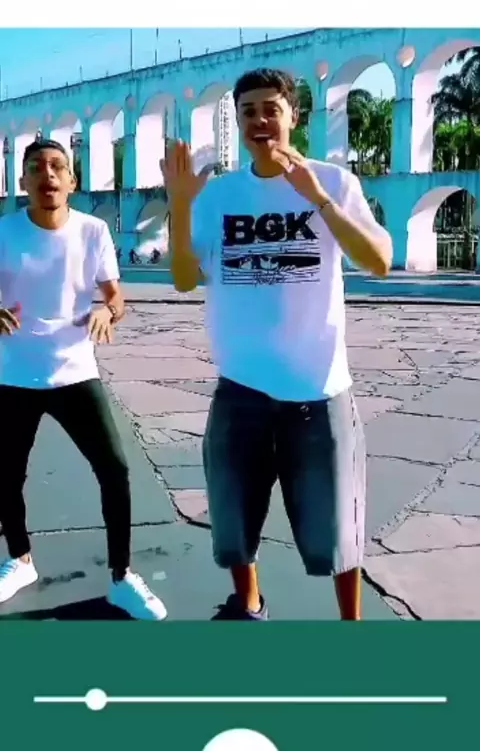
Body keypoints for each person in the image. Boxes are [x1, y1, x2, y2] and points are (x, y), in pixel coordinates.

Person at [162, 68, 393, 621]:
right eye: (248, 111)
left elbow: (380, 261)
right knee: (235, 520)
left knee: (337, 530)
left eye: (271, 109)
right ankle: (248, 606)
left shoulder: (333, 181)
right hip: (240, 388)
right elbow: (185, 279)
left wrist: (318, 199)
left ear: (294, 116)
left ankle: (352, 629)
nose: (260, 120)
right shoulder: (218, 195)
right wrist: (180, 205)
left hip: (319, 390)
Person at [0, 138, 167, 620]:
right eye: (37, 167)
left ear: (72, 180)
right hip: (15, 374)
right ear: (23, 180)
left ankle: (121, 577)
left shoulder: (93, 231)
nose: (47, 175)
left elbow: (116, 297)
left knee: (114, 469)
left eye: (57, 166)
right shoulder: (5, 231)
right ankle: (20, 559)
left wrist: (106, 312)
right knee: (6, 474)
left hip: (75, 371)